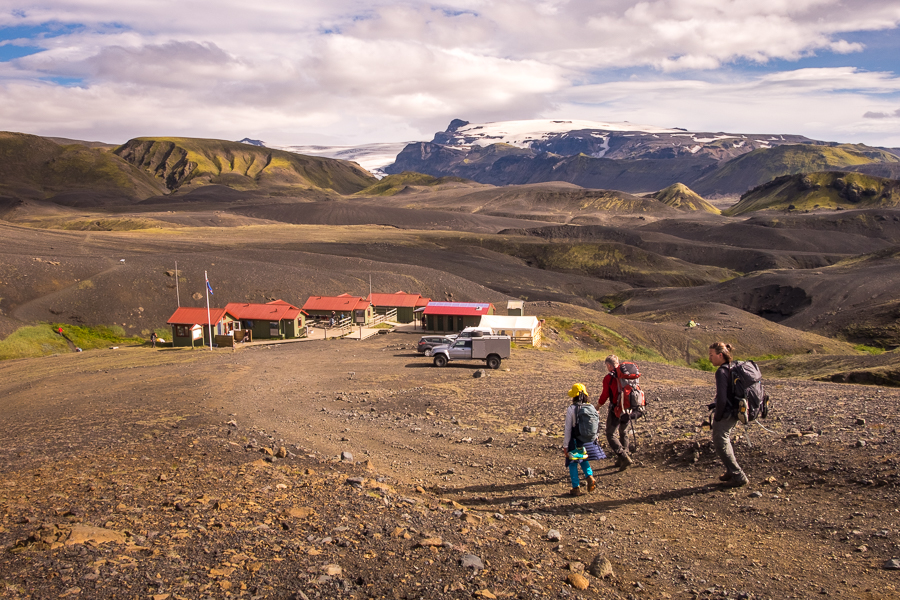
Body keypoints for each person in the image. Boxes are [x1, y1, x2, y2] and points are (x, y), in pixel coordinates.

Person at [708, 341, 749, 487]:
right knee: (725, 440)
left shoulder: (721, 371)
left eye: (711, 355)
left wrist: (717, 416)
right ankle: (730, 471)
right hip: (738, 409)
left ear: (720, 355)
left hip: (727, 412)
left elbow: (722, 398)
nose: (709, 358)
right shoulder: (735, 366)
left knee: (720, 441)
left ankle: (738, 476)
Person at [597, 354, 633, 470]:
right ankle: (623, 458)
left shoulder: (609, 377)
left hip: (616, 408)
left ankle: (623, 457)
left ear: (609, 365)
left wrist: (597, 406)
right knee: (623, 431)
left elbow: (605, 395)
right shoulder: (628, 375)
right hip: (629, 407)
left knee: (610, 433)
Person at [563, 383, 597, 497]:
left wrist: (565, 446)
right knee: (583, 458)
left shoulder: (572, 409)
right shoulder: (591, 407)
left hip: (574, 439)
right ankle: (589, 476)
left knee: (572, 462)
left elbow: (568, 428)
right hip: (585, 439)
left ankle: (575, 487)